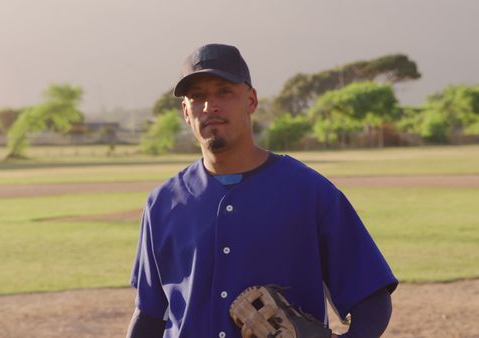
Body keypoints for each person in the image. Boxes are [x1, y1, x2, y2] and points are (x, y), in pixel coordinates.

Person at [127, 43, 397, 338]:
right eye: (198, 97)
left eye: (224, 92)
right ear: (185, 112)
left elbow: (371, 297)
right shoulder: (163, 203)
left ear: (251, 100)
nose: (210, 106)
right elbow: (149, 315)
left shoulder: (308, 191)